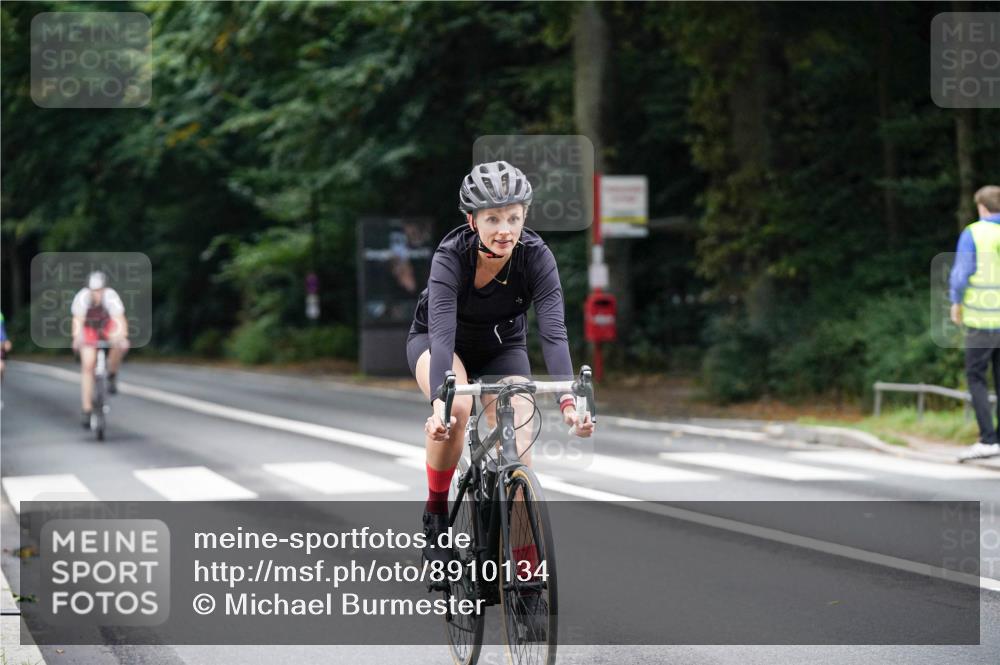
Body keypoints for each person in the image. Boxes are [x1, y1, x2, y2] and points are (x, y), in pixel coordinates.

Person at [407, 160, 595, 571]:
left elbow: (554, 332)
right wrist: (441, 402)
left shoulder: (536, 257)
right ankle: (436, 517)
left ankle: (525, 571)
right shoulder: (450, 257)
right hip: (440, 344)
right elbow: (440, 333)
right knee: (456, 412)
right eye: (492, 218)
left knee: (521, 433)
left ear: (525, 215)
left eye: (513, 217)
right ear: (472, 220)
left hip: (501, 347)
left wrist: (568, 401)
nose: (504, 229)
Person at [950, 185, 1000, 461]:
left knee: (976, 377)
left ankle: (989, 440)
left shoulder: (975, 233)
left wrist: (956, 302)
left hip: (983, 318)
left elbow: (962, 272)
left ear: (982, 207)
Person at [71, 271, 129, 428]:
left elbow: (119, 320)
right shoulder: (82, 298)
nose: (96, 293)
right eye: (93, 290)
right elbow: (78, 322)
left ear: (104, 289)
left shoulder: (111, 297)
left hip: (107, 326)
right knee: (88, 366)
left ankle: (112, 373)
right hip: (89, 328)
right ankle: (87, 409)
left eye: (99, 290)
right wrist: (77, 338)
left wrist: (122, 337)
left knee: (118, 343)